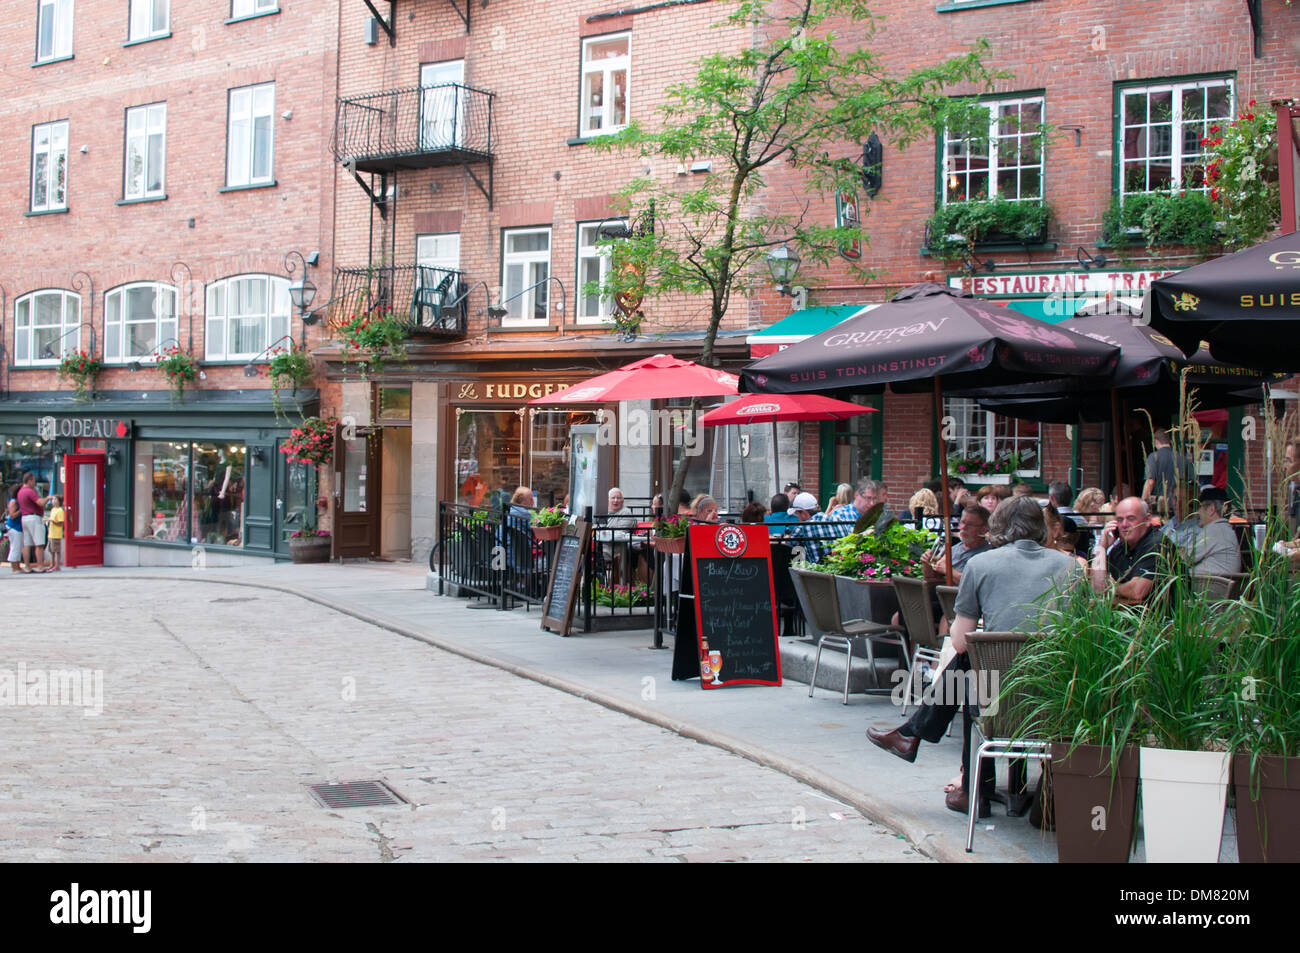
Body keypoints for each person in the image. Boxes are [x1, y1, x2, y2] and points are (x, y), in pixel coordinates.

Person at [867, 497, 1080, 815]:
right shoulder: (1071, 566)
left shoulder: (981, 565)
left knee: (973, 667)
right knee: (975, 669)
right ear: (1040, 528)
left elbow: (961, 639)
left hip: (997, 697)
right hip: (1054, 693)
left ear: (998, 527)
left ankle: (971, 788)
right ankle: (915, 738)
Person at [1091, 497, 1173, 606]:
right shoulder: (1120, 549)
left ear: (1147, 520)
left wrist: (1110, 590)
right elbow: (1097, 588)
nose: (1124, 525)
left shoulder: (1156, 544)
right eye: (1120, 520)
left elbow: (1136, 591)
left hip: (1164, 620)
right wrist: (1101, 548)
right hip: (1129, 617)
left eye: (1131, 518)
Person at [1177, 487, 1241, 578]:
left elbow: (1186, 558)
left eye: (1200, 507)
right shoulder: (1224, 528)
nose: (1197, 512)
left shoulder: (1214, 529)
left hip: (1208, 588)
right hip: (1217, 584)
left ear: (1211, 509)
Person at [1142, 429, 1195, 518]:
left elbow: (1150, 481)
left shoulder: (1153, 457)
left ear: (1156, 441)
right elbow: (1192, 481)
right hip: (1179, 505)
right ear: (1170, 441)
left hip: (1160, 507)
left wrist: (1142, 503)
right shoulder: (1182, 458)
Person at [17, 473, 50, 573]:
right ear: (29, 481)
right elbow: (40, 502)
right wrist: (48, 498)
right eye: (34, 480)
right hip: (34, 517)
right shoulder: (30, 492)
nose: (34, 483)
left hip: (24, 518)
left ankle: (27, 566)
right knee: (39, 543)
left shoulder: (20, 492)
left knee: (27, 544)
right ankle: (40, 566)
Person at [6, 489, 27, 573]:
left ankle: (17, 566)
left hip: (18, 527)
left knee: (18, 547)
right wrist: (21, 510)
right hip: (14, 527)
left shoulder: (17, 501)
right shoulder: (14, 502)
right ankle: (14, 567)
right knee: (15, 547)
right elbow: (12, 515)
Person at [45, 496, 64, 571]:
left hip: (56, 533)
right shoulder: (53, 510)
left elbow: (61, 522)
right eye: (52, 499)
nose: (53, 501)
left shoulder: (60, 510)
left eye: (55, 499)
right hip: (51, 533)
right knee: (51, 550)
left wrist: (52, 521)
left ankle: (57, 565)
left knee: (57, 550)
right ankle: (52, 563)